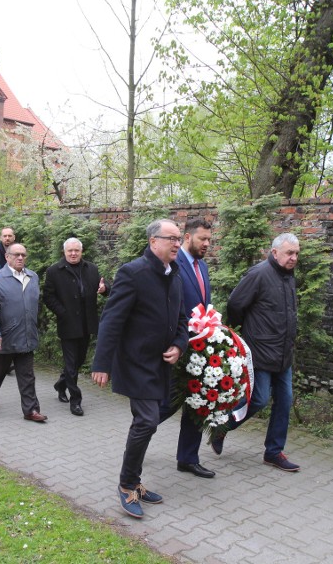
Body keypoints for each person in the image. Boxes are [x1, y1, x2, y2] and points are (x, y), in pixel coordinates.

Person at [91, 219, 189, 519]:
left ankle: (134, 480)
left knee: (147, 421)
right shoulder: (132, 272)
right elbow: (112, 319)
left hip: (160, 364)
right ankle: (126, 485)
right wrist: (102, 363)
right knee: (147, 420)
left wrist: (179, 344)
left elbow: (182, 319)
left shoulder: (175, 274)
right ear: (153, 242)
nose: (176, 243)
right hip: (135, 363)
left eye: (179, 238)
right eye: (170, 238)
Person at [210, 233, 301, 472]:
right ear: (274, 253)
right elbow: (235, 304)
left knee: (285, 401)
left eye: (296, 253)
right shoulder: (259, 274)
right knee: (258, 400)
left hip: (284, 354)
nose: (294, 258)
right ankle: (223, 427)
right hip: (260, 352)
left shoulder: (289, 277)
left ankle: (273, 452)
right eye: (289, 253)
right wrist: (247, 335)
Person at [163, 218, 216, 478]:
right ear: (187, 237)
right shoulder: (173, 264)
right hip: (176, 345)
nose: (207, 244)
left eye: (209, 240)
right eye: (202, 239)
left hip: (200, 347)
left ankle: (188, 458)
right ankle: (140, 432)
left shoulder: (202, 266)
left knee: (198, 401)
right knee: (167, 403)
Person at [0, 243, 47, 422]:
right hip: (5, 336)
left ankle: (31, 410)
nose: (20, 258)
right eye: (16, 254)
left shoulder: (33, 277)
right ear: (7, 257)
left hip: (26, 335)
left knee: (27, 375)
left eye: (23, 254)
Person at [42, 237, 106, 416]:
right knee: (71, 364)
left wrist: (104, 288)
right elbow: (48, 296)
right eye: (70, 250)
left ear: (81, 251)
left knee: (78, 361)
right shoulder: (54, 271)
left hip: (87, 324)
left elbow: (103, 286)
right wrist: (62, 312)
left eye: (76, 250)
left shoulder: (91, 268)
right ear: (64, 252)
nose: (73, 253)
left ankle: (61, 384)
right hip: (68, 324)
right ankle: (75, 400)